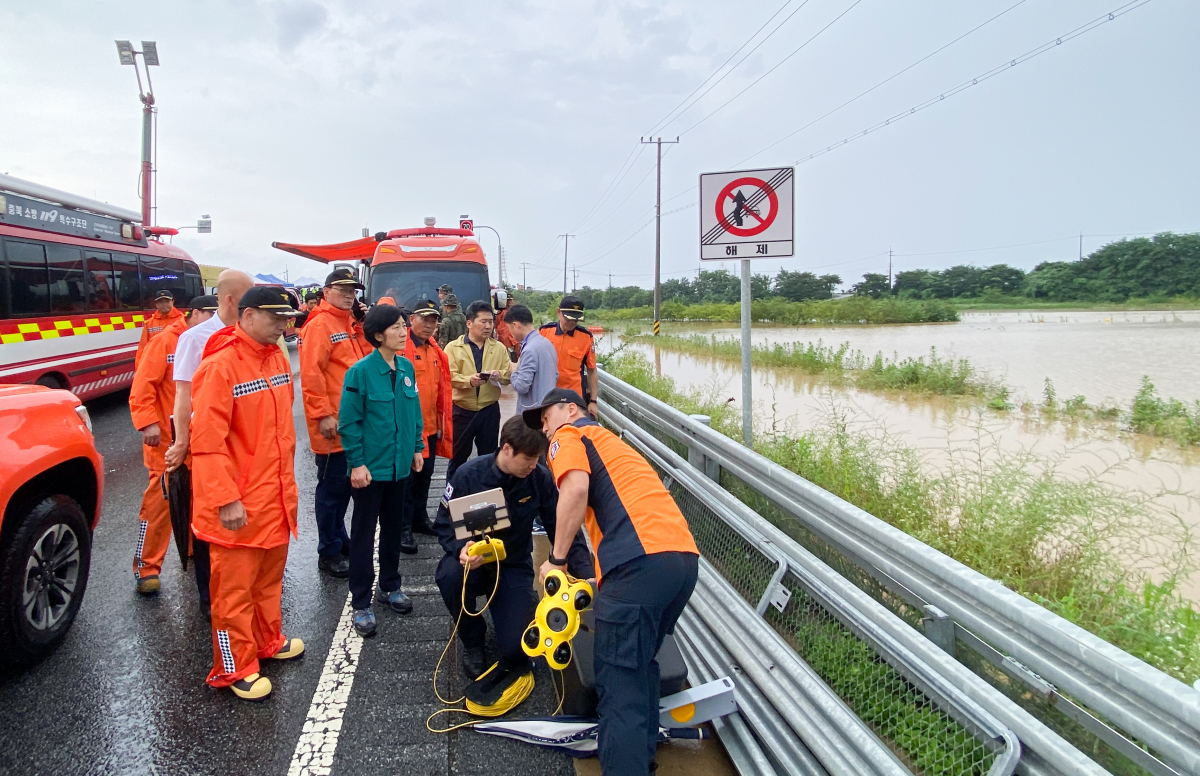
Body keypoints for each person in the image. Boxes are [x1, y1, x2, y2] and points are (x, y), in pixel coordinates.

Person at [529, 388, 699, 776]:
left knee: (618, 685)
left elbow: (574, 489)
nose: (544, 429)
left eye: (545, 418)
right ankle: (641, 762)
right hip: (681, 563)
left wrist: (555, 562)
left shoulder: (569, 436)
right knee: (639, 669)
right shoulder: (613, 444)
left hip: (639, 565)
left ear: (569, 409)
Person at [190, 286, 305, 702]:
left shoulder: (274, 356)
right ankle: (233, 667)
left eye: (287, 319)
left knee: (268, 582)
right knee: (232, 593)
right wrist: (226, 499)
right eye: (276, 318)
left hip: (273, 499)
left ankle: (266, 641)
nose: (283, 325)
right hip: (236, 506)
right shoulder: (220, 367)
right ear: (249, 314)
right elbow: (207, 443)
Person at [434, 416, 594, 679]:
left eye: (537, 460)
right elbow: (443, 523)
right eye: (528, 460)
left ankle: (514, 610)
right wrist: (460, 550)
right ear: (507, 448)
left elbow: (562, 526)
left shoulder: (538, 479)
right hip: (474, 562)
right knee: (448, 576)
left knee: (518, 650)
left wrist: (588, 577)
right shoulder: (468, 476)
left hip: (512, 565)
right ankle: (473, 641)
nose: (533, 466)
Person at [165, 269, 256, 616]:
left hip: (245, 441)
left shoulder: (253, 334)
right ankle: (209, 596)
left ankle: (242, 587)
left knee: (244, 512)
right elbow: (183, 395)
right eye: (247, 298)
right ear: (232, 300)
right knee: (208, 516)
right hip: (208, 440)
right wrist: (182, 442)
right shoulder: (195, 338)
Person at [338, 304, 426, 637]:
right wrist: (356, 463)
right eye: (397, 327)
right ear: (378, 335)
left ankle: (390, 586)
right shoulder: (359, 372)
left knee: (393, 529)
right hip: (370, 470)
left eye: (405, 326)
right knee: (363, 534)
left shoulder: (405, 368)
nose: (404, 332)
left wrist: (417, 447)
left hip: (400, 465)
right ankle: (360, 601)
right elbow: (349, 421)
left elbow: (413, 410)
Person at [128, 295, 218, 595]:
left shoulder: (214, 339)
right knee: (159, 504)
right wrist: (147, 422)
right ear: (195, 314)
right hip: (166, 440)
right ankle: (146, 566)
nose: (217, 319)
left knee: (196, 499)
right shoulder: (166, 341)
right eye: (212, 313)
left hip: (199, 438)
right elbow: (142, 385)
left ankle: (192, 547)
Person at [299, 268, 371, 578]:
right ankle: (327, 550)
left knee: (341, 489)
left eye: (352, 290)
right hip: (333, 425)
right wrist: (323, 415)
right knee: (331, 491)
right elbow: (312, 375)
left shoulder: (348, 324)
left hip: (352, 423)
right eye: (341, 289)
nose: (348, 294)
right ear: (326, 291)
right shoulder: (320, 325)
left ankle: (339, 539)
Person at [403, 300, 454, 552]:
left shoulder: (434, 350)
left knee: (424, 477)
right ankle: (403, 528)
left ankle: (419, 518)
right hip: (406, 428)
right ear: (412, 319)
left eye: (434, 320)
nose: (430, 324)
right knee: (406, 480)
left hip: (430, 427)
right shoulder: (400, 348)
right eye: (425, 319)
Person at [443, 300, 511, 480]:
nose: (488, 326)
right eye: (483, 322)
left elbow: (508, 376)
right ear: (469, 323)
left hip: (488, 410)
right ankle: (452, 498)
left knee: (488, 457)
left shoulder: (499, 348)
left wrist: (499, 375)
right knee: (457, 457)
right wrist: (469, 381)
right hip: (462, 410)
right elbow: (449, 377)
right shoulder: (453, 348)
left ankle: (486, 495)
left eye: (491, 322)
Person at [539, 295, 599, 419]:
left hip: (573, 399)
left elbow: (592, 370)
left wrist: (593, 401)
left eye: (576, 319)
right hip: (547, 396)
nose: (572, 322)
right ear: (559, 312)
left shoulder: (586, 337)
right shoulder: (544, 332)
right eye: (569, 318)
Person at [503, 304, 558, 416]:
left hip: (533, 413)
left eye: (509, 329)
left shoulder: (529, 350)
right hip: (548, 407)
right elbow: (555, 375)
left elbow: (521, 386)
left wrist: (514, 371)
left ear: (515, 325)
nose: (511, 334)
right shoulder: (547, 343)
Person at [135, 289, 184, 367]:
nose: (164, 304)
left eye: (167, 301)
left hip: (177, 364)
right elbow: (142, 348)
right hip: (156, 365)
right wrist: (139, 368)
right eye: (161, 302)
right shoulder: (149, 323)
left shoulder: (182, 320)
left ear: (173, 301)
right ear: (156, 304)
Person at [491, 289, 518, 356]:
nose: (510, 302)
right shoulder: (502, 312)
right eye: (508, 300)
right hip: (505, 338)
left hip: (513, 339)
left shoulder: (514, 311)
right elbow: (496, 324)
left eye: (511, 300)